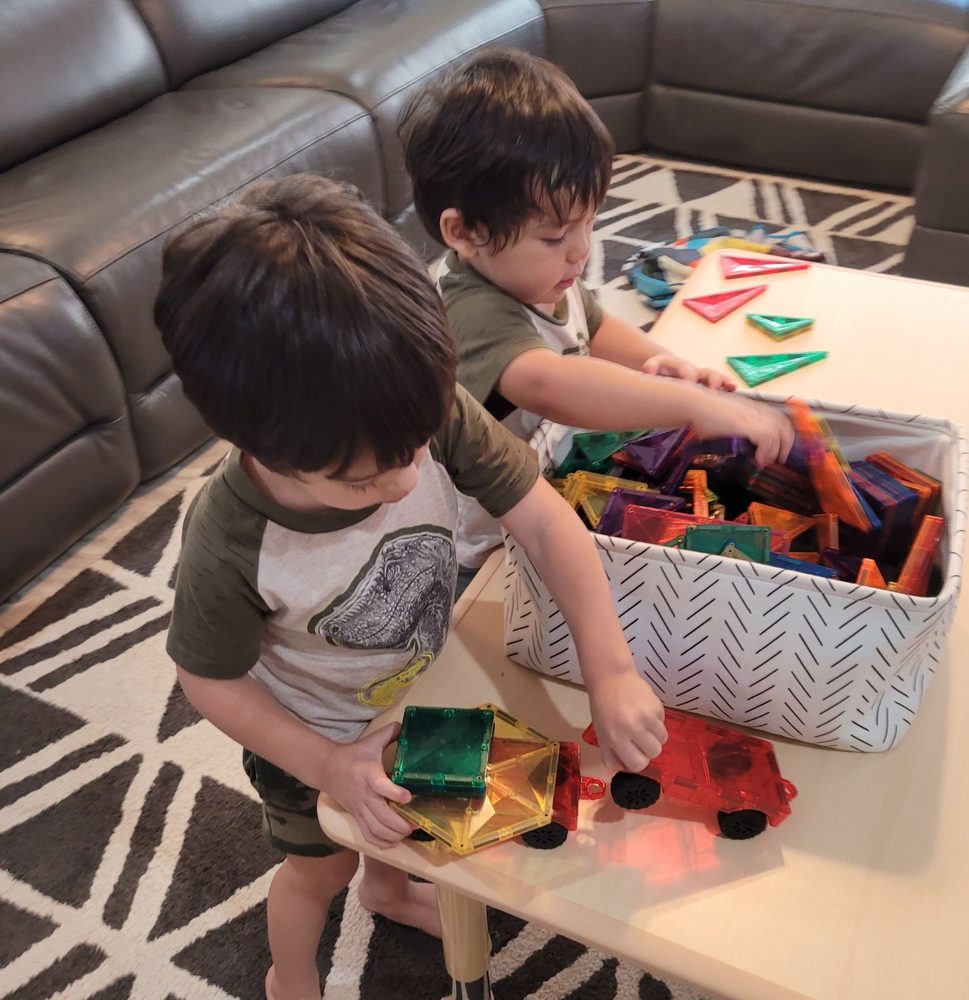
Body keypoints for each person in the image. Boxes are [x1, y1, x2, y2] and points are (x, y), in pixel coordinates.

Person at [157, 174, 668, 1000]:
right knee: (313, 872)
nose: (402, 484)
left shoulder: (416, 409)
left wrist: (609, 668)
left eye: (414, 454)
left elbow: (544, 520)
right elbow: (207, 678)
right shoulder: (230, 544)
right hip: (310, 736)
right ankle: (288, 974)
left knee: (407, 831)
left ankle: (386, 889)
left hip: (416, 687)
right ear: (256, 443)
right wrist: (326, 762)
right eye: (361, 481)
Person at [400, 48, 794, 567]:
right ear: (465, 232)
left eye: (590, 221)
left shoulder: (537, 278)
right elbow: (550, 384)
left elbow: (596, 324)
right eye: (556, 234)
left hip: (550, 491)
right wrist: (693, 406)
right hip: (490, 546)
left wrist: (664, 364)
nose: (582, 250)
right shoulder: (469, 312)